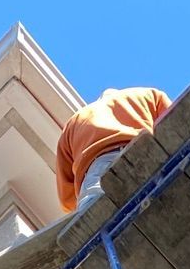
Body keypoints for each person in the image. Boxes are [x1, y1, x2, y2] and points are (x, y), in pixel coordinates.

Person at [56, 86, 173, 215]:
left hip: (98, 172)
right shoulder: (148, 94)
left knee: (94, 221)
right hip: (143, 156)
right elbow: (174, 126)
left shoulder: (74, 122)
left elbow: (67, 199)